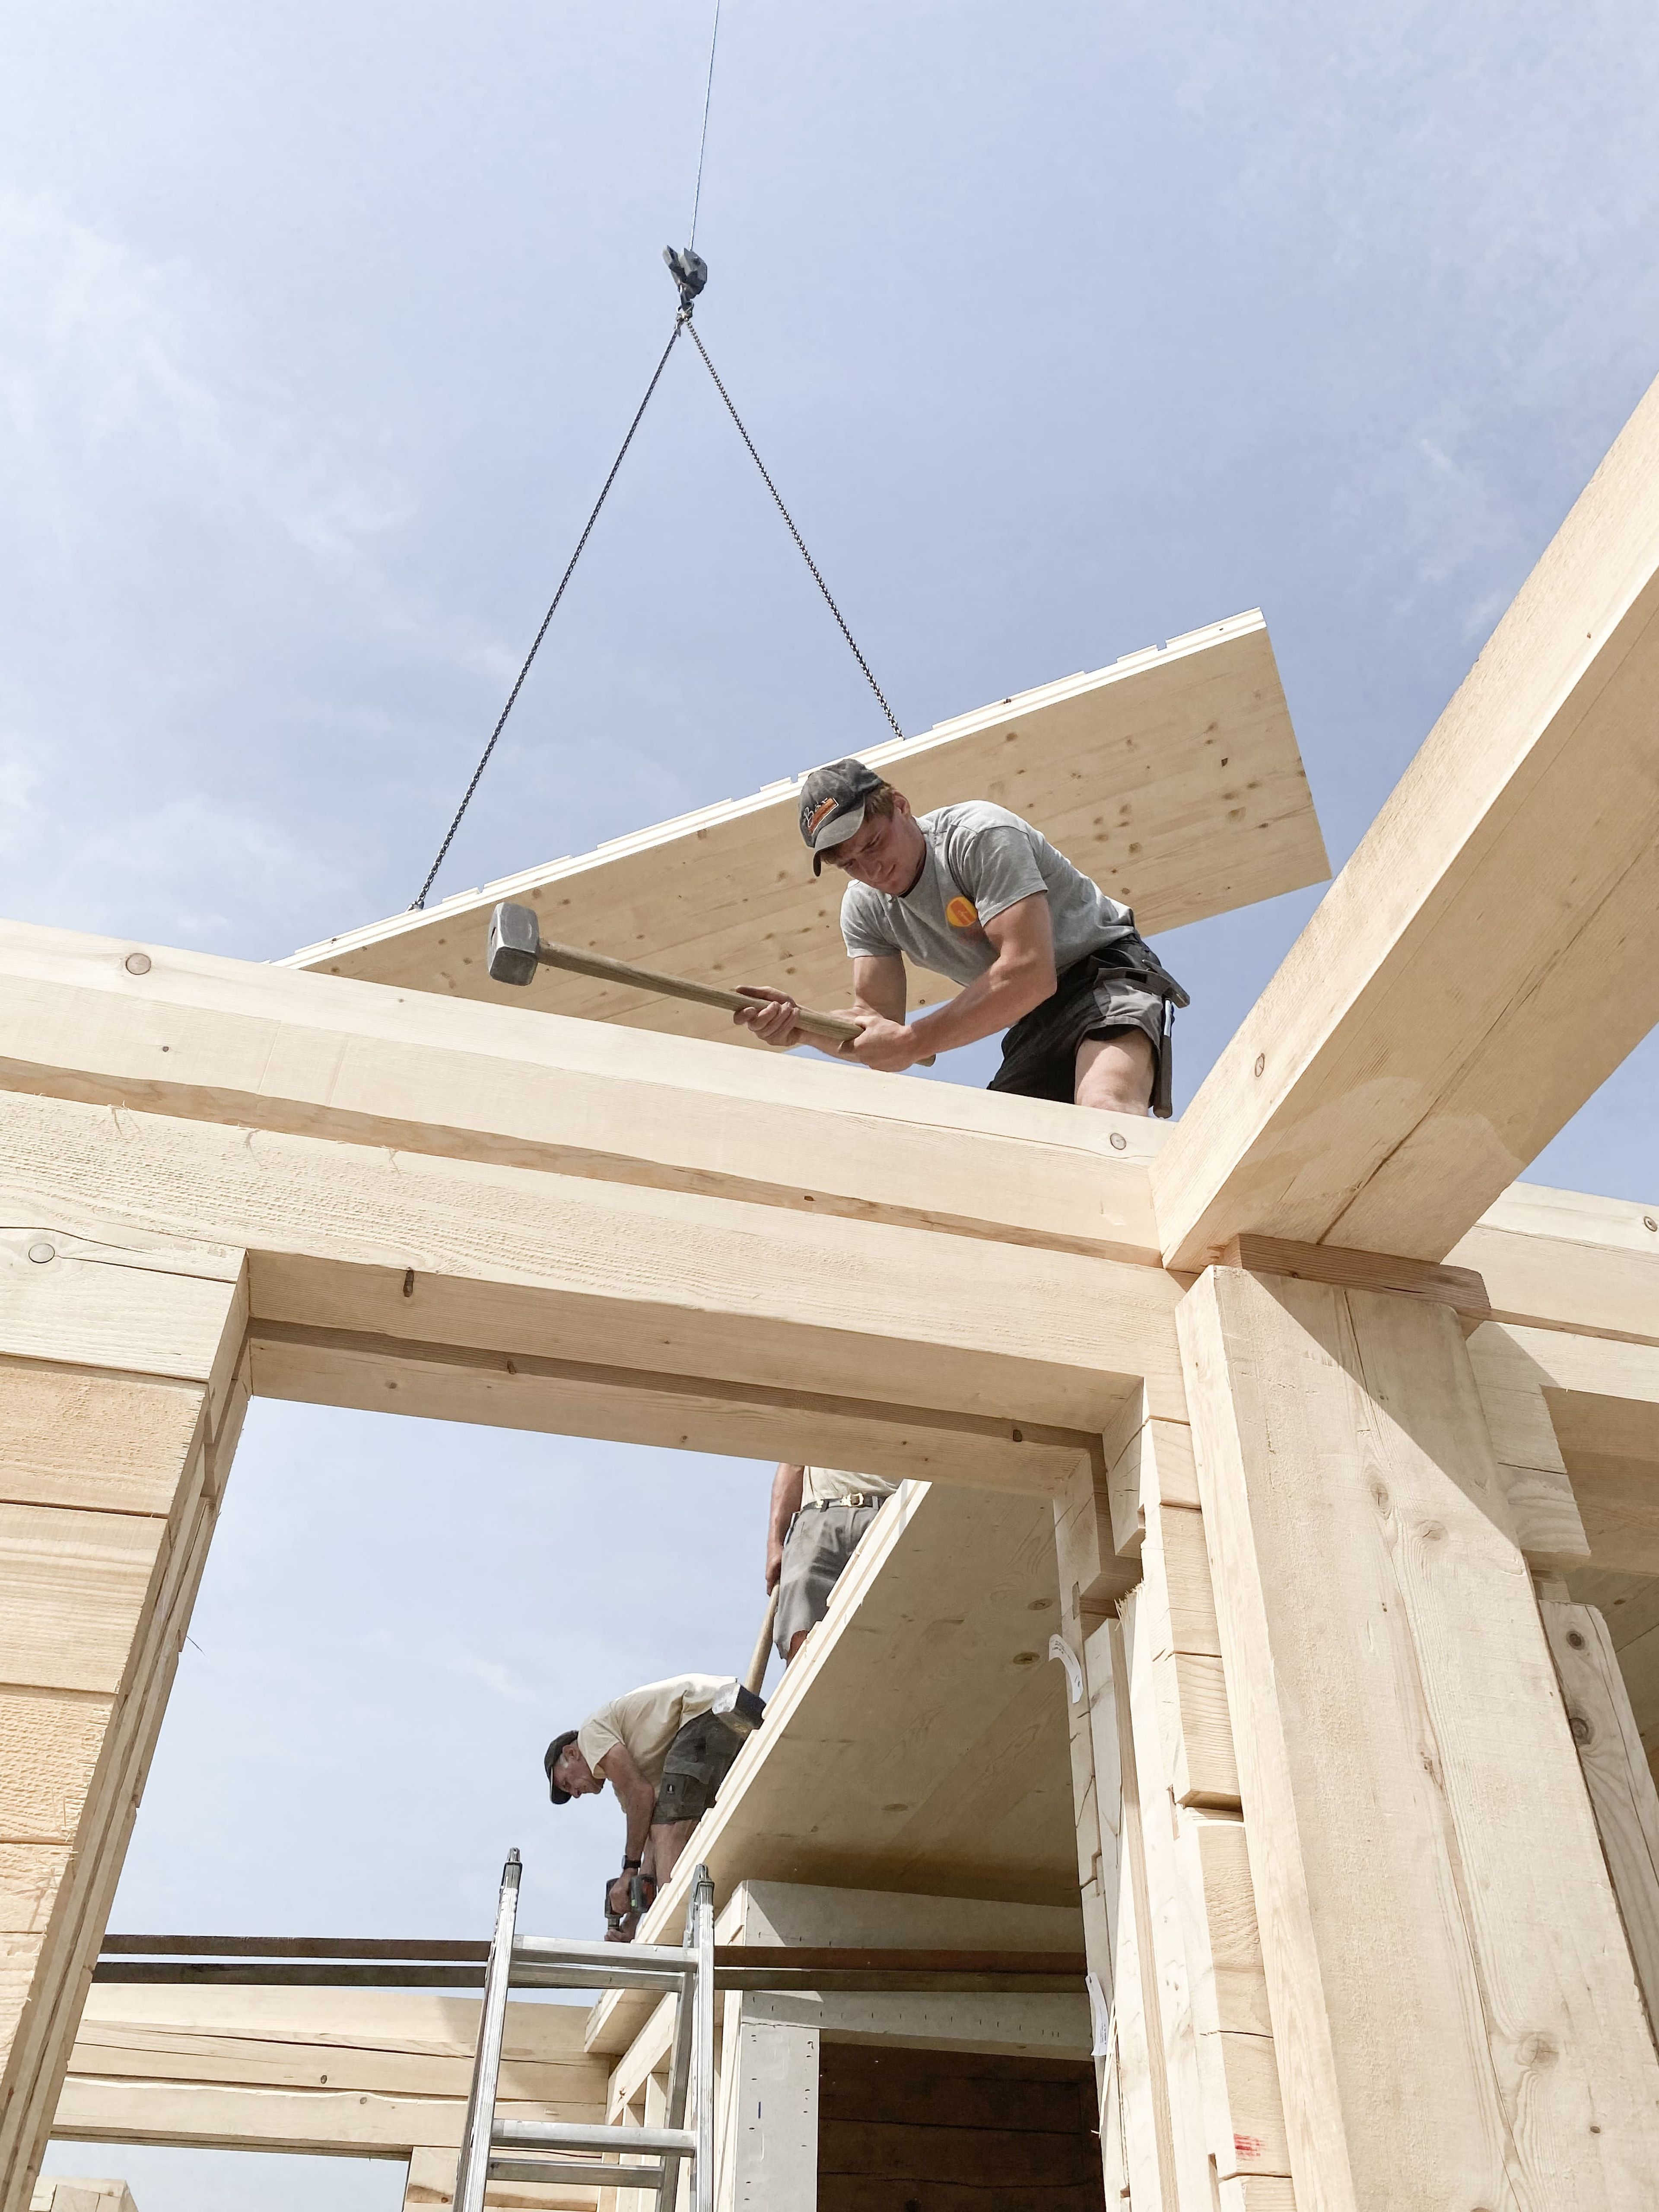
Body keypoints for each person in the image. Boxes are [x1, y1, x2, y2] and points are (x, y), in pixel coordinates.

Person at [733, 759, 1188, 1113]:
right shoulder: (865, 907)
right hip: (1032, 1018)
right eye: (850, 864)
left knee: (1105, 1107)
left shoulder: (978, 835)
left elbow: (1029, 973)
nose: (871, 869)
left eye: (873, 844)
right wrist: (801, 1026)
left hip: (1103, 973)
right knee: (1012, 1155)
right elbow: (875, 1023)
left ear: (901, 806)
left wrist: (914, 1041)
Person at [543, 1672, 746, 1942]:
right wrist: (632, 1922)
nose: (576, 1794)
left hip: (707, 1709)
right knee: (665, 1836)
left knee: (668, 1834)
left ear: (572, 1753)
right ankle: (691, 1929)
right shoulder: (627, 1780)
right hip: (725, 1718)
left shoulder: (591, 1735)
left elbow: (642, 1795)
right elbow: (651, 1843)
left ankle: (686, 1937)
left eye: (568, 1784)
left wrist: (629, 1870)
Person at [766, 1462, 898, 1665]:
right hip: (821, 1514)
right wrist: (775, 1543)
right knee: (801, 1621)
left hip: (891, 1511)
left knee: (896, 1622)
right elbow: (793, 1463)